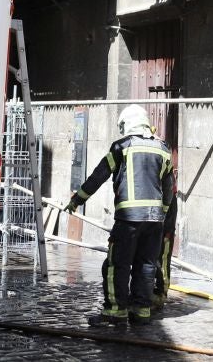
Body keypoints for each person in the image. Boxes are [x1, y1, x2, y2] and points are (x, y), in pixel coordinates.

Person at [65, 104, 175, 326]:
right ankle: (141, 311)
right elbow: (169, 186)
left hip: (128, 218)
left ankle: (115, 311)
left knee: (117, 265)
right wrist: (161, 214)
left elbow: (98, 176)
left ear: (127, 124)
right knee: (146, 264)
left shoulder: (121, 147)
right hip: (154, 220)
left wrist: (77, 200)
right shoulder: (163, 148)